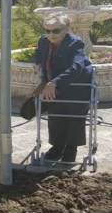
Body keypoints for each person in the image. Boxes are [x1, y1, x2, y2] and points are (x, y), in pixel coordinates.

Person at [34, 13, 92, 162]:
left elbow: (77, 67)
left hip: (77, 85)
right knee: (55, 115)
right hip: (54, 84)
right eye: (47, 30)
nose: (50, 34)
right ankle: (57, 146)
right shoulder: (43, 40)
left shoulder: (75, 43)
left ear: (67, 29)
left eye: (55, 31)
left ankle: (71, 148)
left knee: (74, 116)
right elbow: (39, 53)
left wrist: (54, 82)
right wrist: (38, 62)